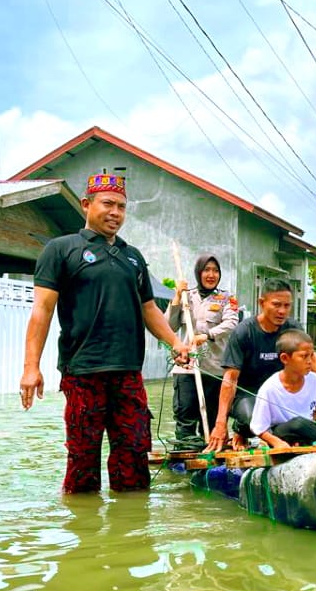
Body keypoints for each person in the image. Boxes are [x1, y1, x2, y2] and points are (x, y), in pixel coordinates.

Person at [19, 173, 189, 493]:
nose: (115, 213)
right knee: (83, 460)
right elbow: (41, 310)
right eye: (108, 204)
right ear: (86, 205)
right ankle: (85, 535)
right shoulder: (60, 250)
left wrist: (176, 342)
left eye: (122, 207)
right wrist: (31, 367)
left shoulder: (133, 256)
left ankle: (131, 533)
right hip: (83, 371)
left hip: (127, 372)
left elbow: (148, 309)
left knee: (135, 456)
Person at [206, 278, 316, 452]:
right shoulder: (244, 332)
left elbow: (312, 358)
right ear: (262, 303)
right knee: (252, 416)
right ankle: (243, 430)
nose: (282, 311)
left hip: (282, 393)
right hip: (250, 396)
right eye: (276, 305)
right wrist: (220, 424)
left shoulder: (292, 327)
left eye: (287, 306)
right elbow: (230, 379)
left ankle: (289, 433)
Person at [167, 254, 238, 445]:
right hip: (187, 366)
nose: (211, 275)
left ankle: (211, 448)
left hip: (215, 368)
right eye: (206, 270)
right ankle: (185, 451)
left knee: (214, 418)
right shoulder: (186, 296)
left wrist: (207, 336)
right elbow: (169, 325)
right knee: (185, 415)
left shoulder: (227, 299)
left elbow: (231, 323)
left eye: (215, 271)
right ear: (199, 273)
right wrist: (176, 296)